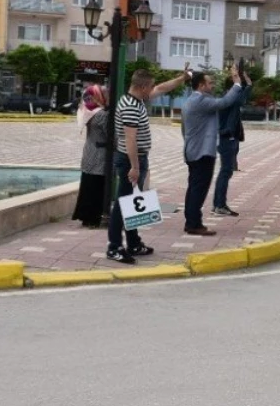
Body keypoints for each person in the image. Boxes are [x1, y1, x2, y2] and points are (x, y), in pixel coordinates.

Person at [107, 65, 191, 264]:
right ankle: (114, 247)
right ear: (143, 86)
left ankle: (134, 243)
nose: (153, 90)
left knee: (131, 203)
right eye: (150, 86)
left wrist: (182, 78)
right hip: (130, 159)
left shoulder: (136, 100)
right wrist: (134, 167)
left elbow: (162, 88)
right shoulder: (129, 106)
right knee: (122, 204)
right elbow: (130, 140)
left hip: (137, 158)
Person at [180, 67, 245, 235]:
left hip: (192, 151)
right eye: (210, 83)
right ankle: (194, 224)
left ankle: (191, 221)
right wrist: (237, 83)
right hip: (202, 153)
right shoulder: (200, 101)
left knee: (193, 187)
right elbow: (224, 102)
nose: (212, 85)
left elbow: (183, 129)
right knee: (199, 189)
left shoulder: (189, 101)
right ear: (201, 85)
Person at [212, 66, 252, 217]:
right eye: (238, 87)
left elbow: (244, 94)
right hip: (227, 138)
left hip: (230, 137)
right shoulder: (228, 100)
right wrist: (238, 78)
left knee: (226, 172)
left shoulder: (230, 98)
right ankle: (219, 205)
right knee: (225, 171)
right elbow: (241, 96)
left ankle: (218, 204)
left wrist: (247, 82)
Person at [71, 84, 109, 228]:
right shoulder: (101, 115)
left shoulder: (87, 110)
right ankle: (93, 218)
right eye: (104, 93)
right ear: (98, 96)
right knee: (97, 187)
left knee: (87, 185)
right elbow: (111, 136)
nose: (107, 96)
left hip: (89, 152)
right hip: (100, 154)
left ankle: (85, 216)